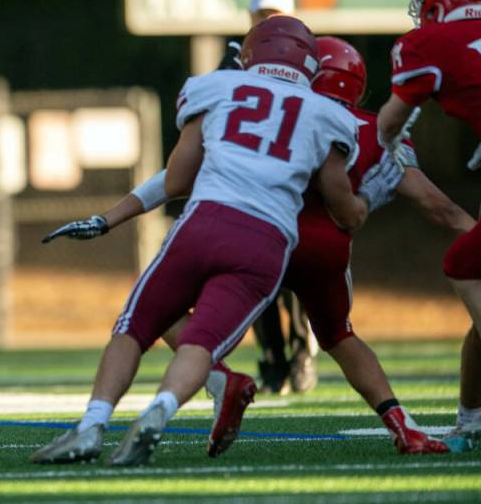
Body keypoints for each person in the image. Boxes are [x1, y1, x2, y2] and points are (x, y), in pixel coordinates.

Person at [37, 37, 460, 459]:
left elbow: (176, 178)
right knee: (336, 335)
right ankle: (403, 425)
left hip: (235, 224)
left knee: (150, 314)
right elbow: (413, 207)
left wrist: (110, 217)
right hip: (308, 245)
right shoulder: (350, 124)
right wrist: (379, 197)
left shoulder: (231, 93)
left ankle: (195, 387)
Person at [377, 0, 481, 451]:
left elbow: (388, 124)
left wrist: (390, 147)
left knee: (464, 264)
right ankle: (471, 421)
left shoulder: (430, 43)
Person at [218, 0, 318, 395]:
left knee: (293, 277)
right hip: (249, 182)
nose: (268, 22)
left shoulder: (311, 57)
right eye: (262, 15)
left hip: (291, 181)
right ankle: (272, 360)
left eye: (274, 15)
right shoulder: (236, 61)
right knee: (256, 278)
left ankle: (301, 356)